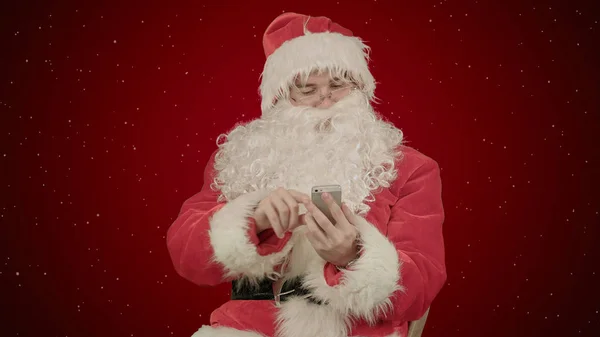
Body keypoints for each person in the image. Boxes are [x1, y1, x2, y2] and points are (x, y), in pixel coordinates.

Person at [167, 12, 447, 337]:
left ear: (360, 87)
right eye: (307, 88)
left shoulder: (409, 168)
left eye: (338, 84)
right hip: (249, 327)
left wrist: (352, 255)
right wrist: (253, 219)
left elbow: (422, 285)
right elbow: (186, 257)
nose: (325, 99)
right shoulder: (241, 160)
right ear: (280, 100)